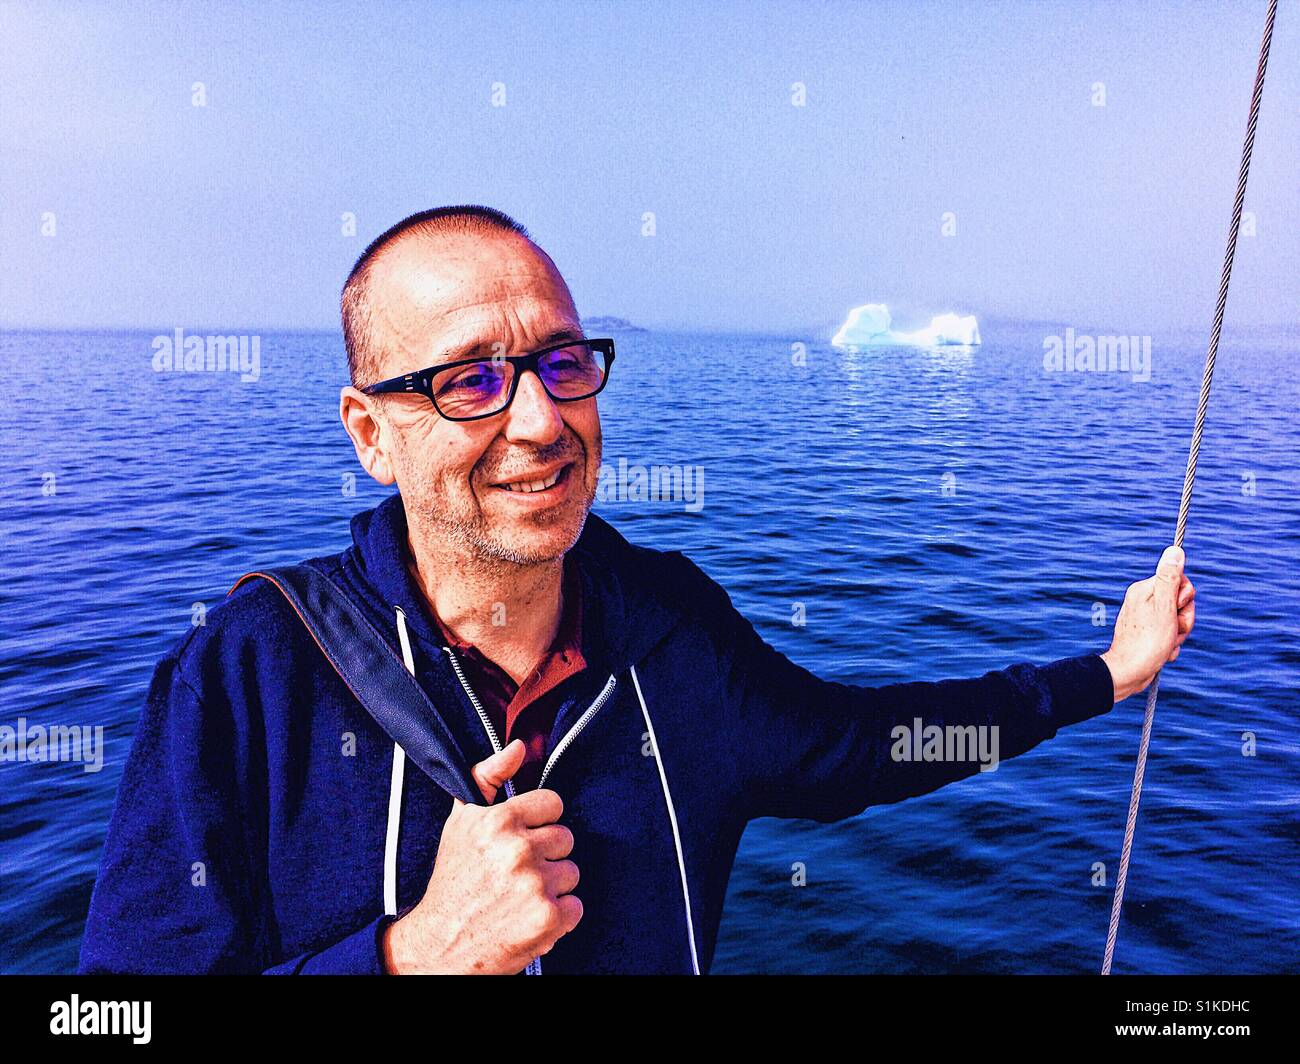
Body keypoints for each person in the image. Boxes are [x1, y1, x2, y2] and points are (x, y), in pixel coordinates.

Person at [80, 205, 1195, 974]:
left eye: (563, 362)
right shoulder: (249, 671)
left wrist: (1101, 674)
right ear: (371, 432)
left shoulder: (672, 635)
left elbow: (869, 744)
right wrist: (408, 956)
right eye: (469, 380)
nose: (539, 418)